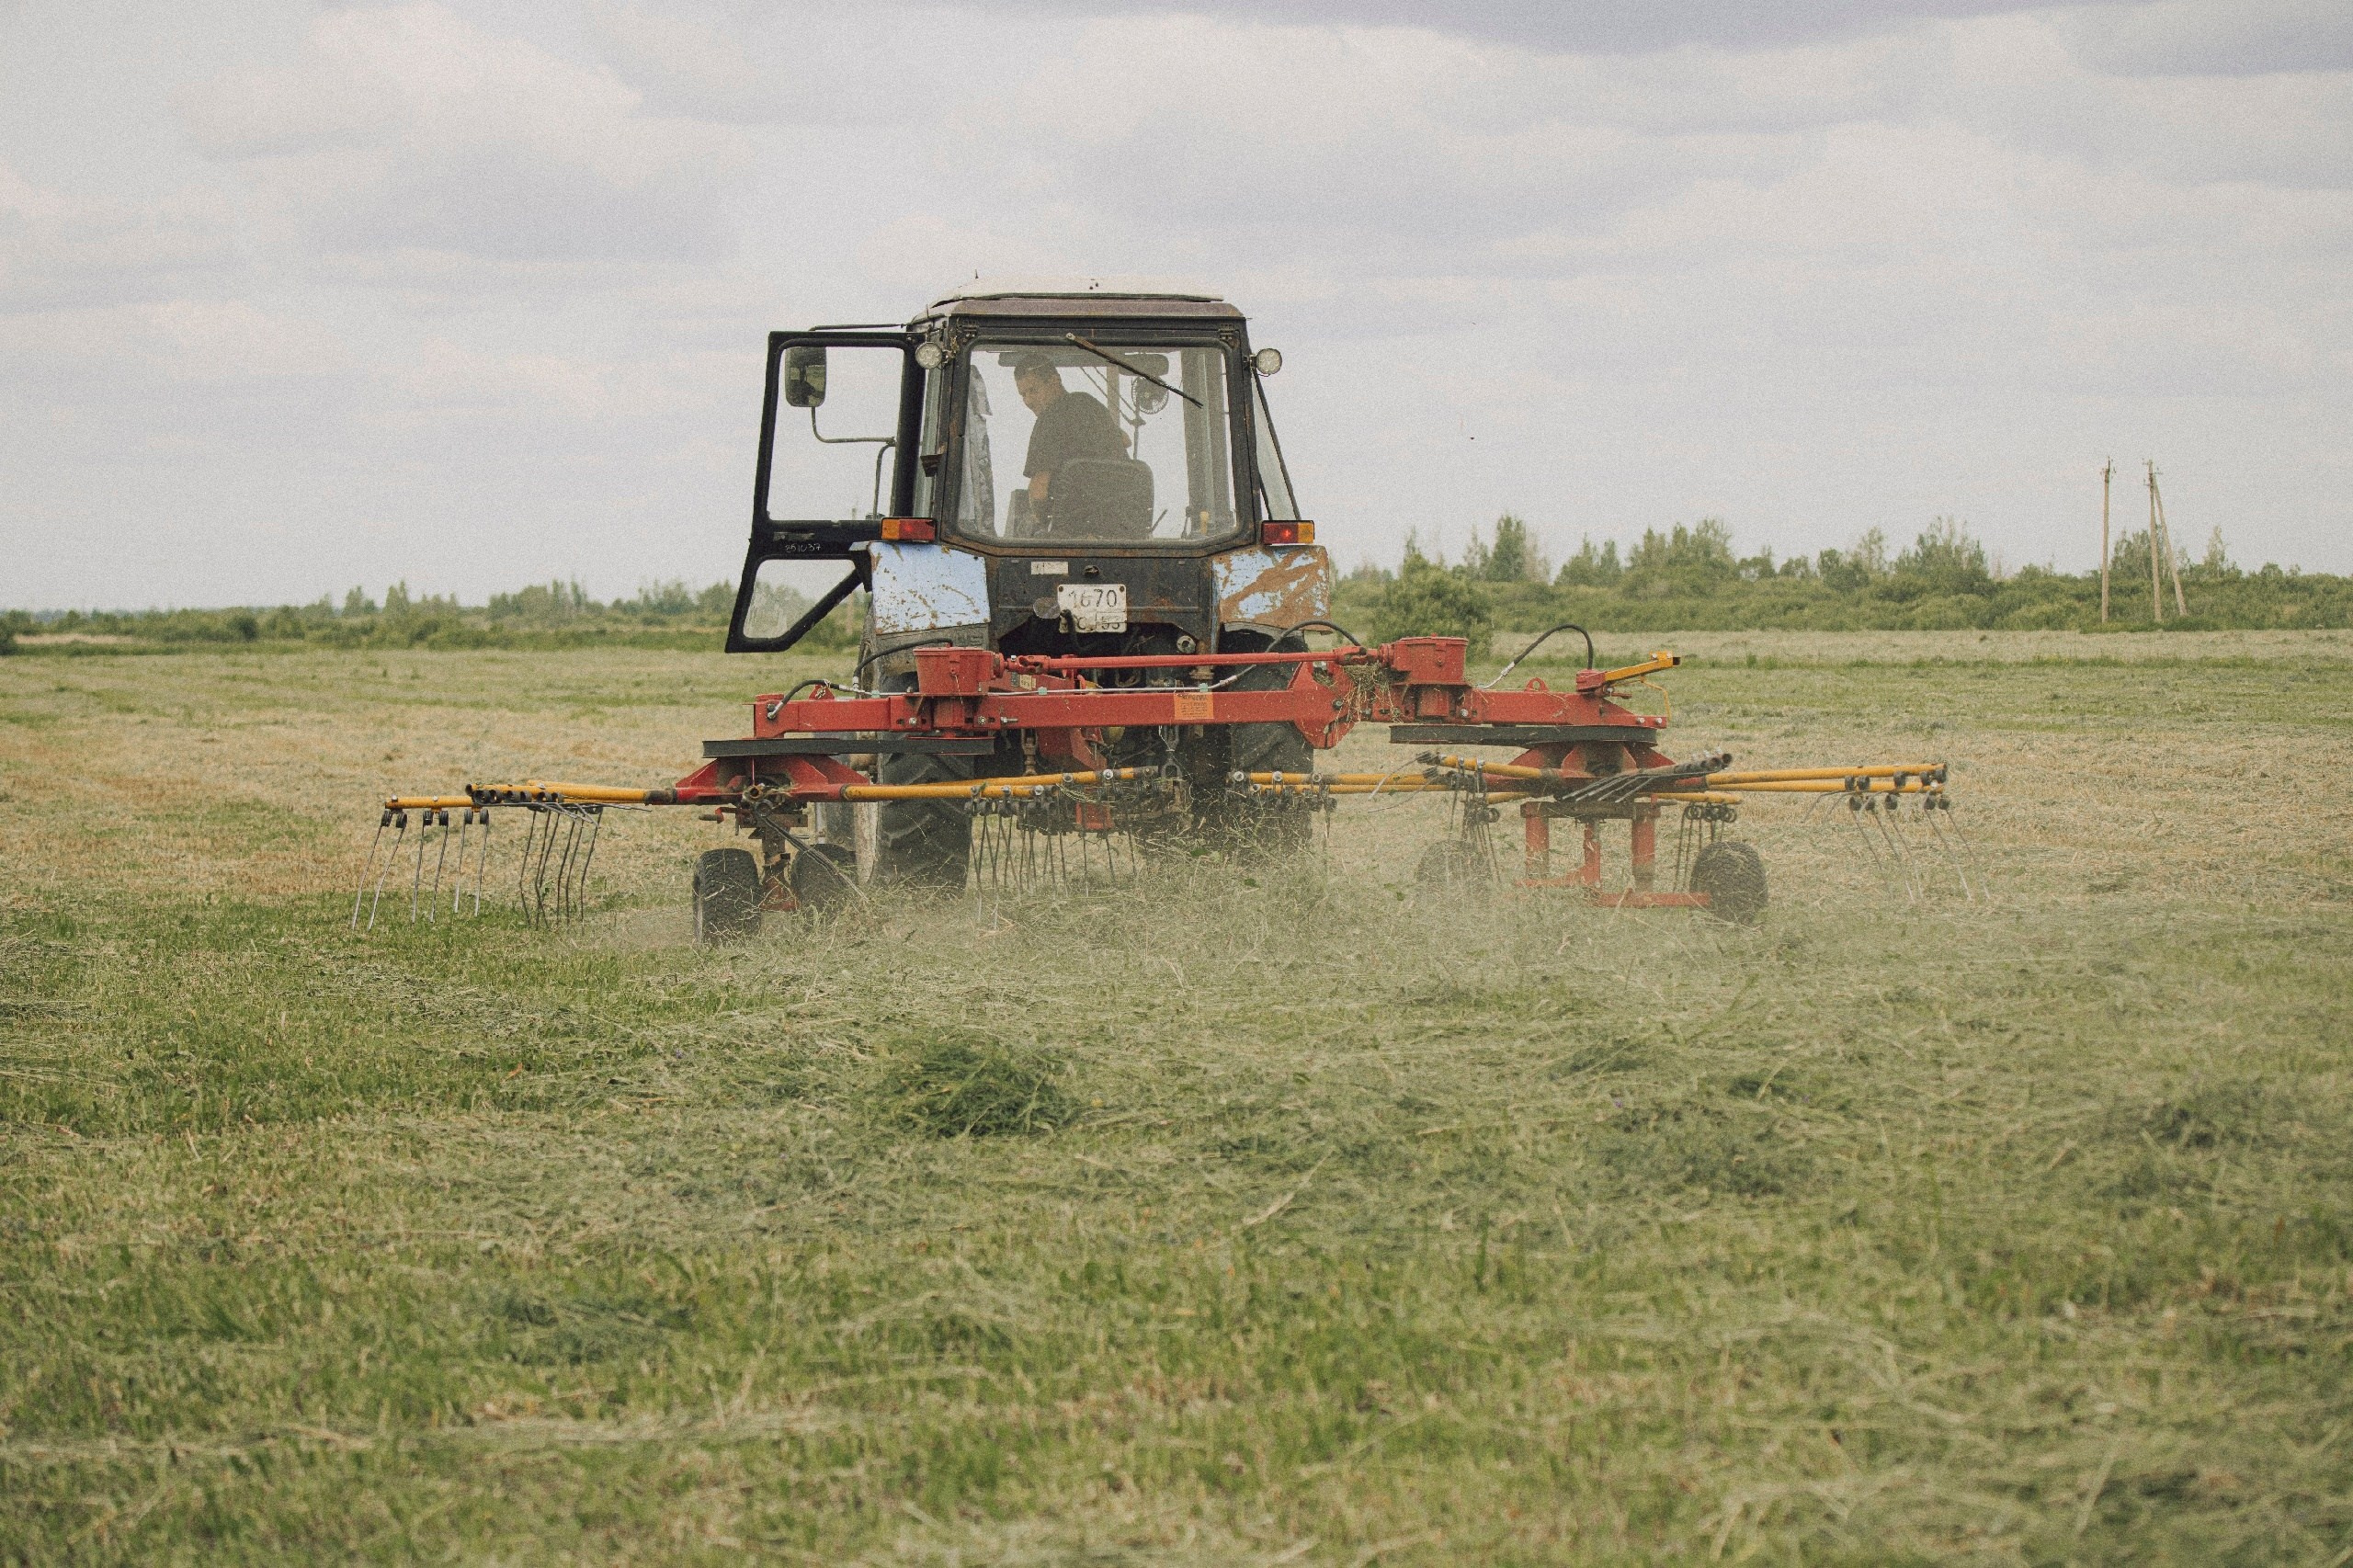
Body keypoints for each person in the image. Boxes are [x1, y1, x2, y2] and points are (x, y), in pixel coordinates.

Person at [1011, 354, 1127, 516]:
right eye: (1023, 395)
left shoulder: (1048, 418)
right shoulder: (1090, 403)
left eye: (1033, 391)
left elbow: (1039, 491)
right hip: (1120, 520)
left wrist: (1039, 521)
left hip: (1073, 529)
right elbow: (1125, 440)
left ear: (1055, 381)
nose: (1028, 401)